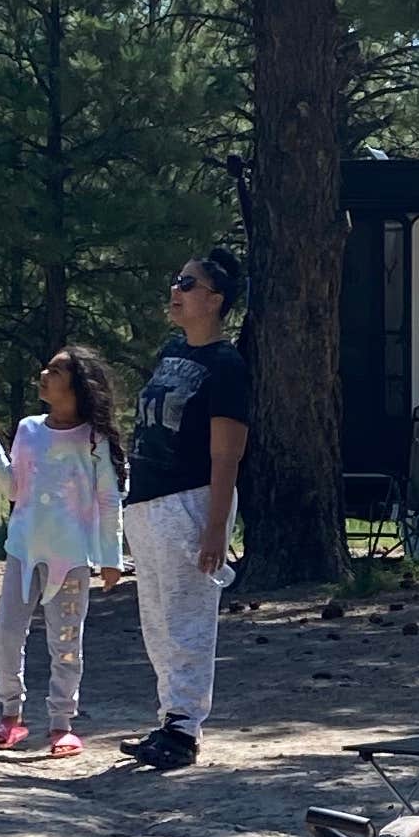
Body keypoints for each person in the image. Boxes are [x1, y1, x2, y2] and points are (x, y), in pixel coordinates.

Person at [119, 246, 250, 768]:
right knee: (157, 618)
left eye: (188, 284)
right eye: (176, 281)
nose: (176, 290)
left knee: (188, 618)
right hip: (147, 500)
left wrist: (216, 526)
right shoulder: (172, 353)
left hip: (191, 500)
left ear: (215, 300)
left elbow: (227, 451)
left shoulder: (226, 365)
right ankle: (169, 718)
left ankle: (185, 729)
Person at [0, 349, 127, 756]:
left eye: (55, 370)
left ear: (77, 385)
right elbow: (14, 487)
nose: (44, 374)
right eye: (47, 367)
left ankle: (61, 724)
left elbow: (109, 499)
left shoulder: (94, 440)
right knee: (6, 635)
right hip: (23, 550)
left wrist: (111, 557)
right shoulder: (29, 429)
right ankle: (10, 716)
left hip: (71, 560)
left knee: (66, 641)